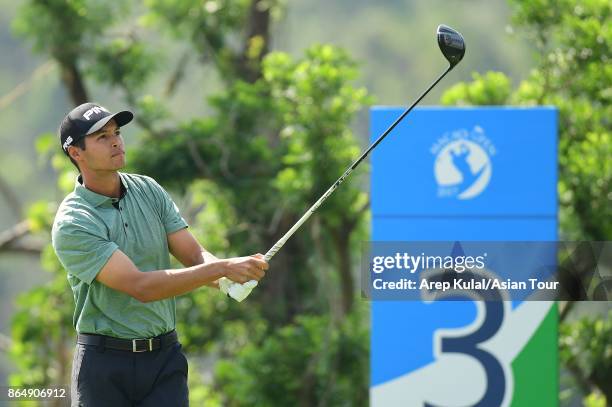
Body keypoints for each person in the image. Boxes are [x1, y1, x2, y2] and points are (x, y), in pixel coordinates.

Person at [51, 102, 268, 406]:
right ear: (76, 153)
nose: (116, 141)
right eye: (102, 137)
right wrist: (221, 270)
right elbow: (141, 287)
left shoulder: (148, 190)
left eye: (116, 133)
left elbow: (194, 255)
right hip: (104, 366)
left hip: (164, 361)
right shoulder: (74, 222)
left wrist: (229, 277)